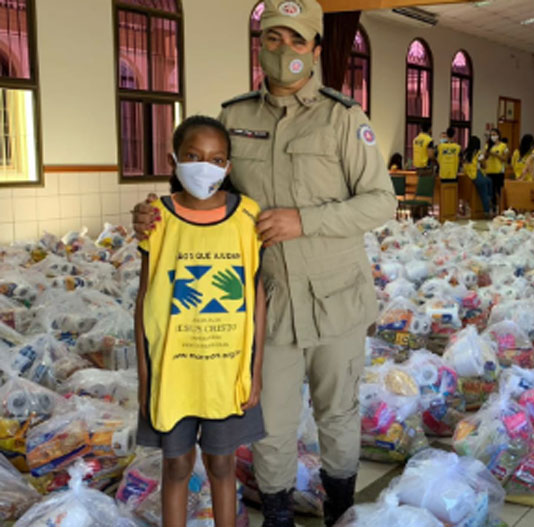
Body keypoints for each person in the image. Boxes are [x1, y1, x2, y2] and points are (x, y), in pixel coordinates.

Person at [132, 2, 397, 526]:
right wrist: (154, 212)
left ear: (316, 50)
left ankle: (340, 510)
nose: (284, 51)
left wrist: (306, 220)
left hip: (335, 297)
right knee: (270, 422)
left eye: (297, 41)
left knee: (337, 415)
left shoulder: (344, 119)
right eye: (273, 38)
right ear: (260, 45)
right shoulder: (234, 118)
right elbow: (208, 193)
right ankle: (277, 514)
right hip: (265, 299)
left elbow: (380, 203)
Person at [135, 116, 267, 527]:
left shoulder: (247, 217)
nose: (204, 166)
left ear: (228, 167)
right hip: (174, 373)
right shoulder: (157, 219)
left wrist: (255, 371)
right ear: (173, 159)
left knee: (223, 467)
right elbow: (144, 301)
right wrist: (144, 378)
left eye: (216, 159)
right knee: (175, 469)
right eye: (193, 156)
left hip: (225, 372)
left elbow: (256, 296)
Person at [463, 135, 493, 217]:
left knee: (489, 181)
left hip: (467, 175)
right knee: (484, 193)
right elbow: (484, 165)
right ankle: (487, 210)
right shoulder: (478, 153)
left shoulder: (465, 153)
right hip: (476, 174)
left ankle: (489, 200)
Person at [482, 129, 509, 211]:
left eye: (494, 134)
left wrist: (496, 155)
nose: (493, 136)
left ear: (498, 135)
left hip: (499, 171)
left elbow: (505, 158)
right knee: (491, 191)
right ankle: (493, 208)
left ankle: (502, 208)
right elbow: (484, 157)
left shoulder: (503, 146)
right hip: (489, 171)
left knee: (499, 191)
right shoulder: (488, 145)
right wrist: (487, 153)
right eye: (491, 135)